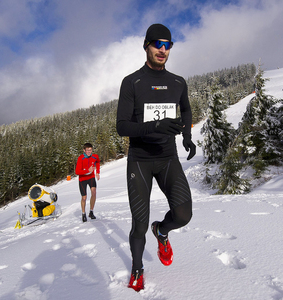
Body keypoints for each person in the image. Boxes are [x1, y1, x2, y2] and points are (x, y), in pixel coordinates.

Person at [116, 23, 196, 292]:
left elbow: (185, 109)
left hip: (168, 158)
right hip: (139, 161)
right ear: (146, 46)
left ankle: (161, 231)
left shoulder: (177, 82)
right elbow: (122, 126)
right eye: (157, 44)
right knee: (139, 223)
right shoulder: (132, 82)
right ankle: (137, 267)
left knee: (183, 215)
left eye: (167, 45)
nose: (162, 50)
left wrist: (186, 136)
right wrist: (155, 127)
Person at [75, 143, 100, 222]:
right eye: (87, 150)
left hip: (91, 177)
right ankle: (83, 213)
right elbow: (77, 171)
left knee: (94, 193)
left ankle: (91, 212)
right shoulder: (81, 158)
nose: (89, 152)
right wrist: (87, 171)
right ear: (84, 150)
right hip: (83, 179)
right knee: (84, 197)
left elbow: (98, 162)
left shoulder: (95, 156)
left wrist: (97, 172)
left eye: (90, 150)